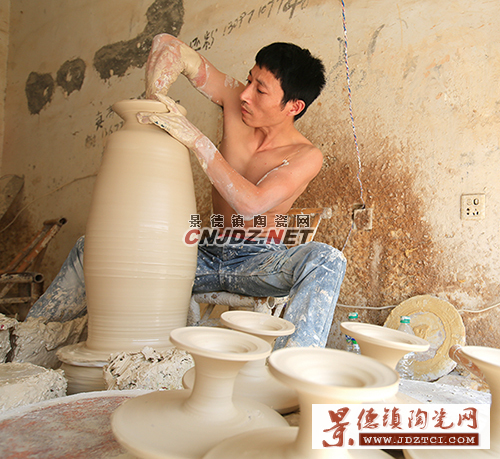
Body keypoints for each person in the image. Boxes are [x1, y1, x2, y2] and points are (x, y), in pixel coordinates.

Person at [28, 34, 346, 349]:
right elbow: (169, 46)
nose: (245, 94)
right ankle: (28, 340)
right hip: (203, 252)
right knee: (94, 247)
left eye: (260, 90)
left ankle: (293, 366)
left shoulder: (306, 155)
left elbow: (252, 204)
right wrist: (156, 94)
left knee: (326, 259)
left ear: (294, 106)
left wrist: (197, 141)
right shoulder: (236, 100)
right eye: (249, 80)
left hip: (258, 262)